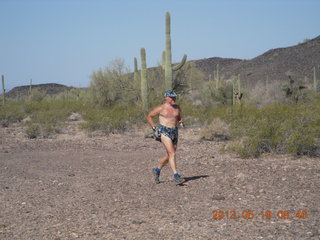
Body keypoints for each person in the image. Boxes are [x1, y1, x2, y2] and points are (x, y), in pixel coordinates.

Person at [146, 90, 186, 184]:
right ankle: (176, 176)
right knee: (172, 153)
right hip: (164, 131)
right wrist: (154, 128)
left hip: (174, 131)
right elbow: (149, 116)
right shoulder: (161, 108)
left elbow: (179, 117)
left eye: (174, 97)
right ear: (166, 98)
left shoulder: (177, 107)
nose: (173, 99)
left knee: (170, 155)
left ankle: (157, 170)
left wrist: (181, 122)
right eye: (171, 97)